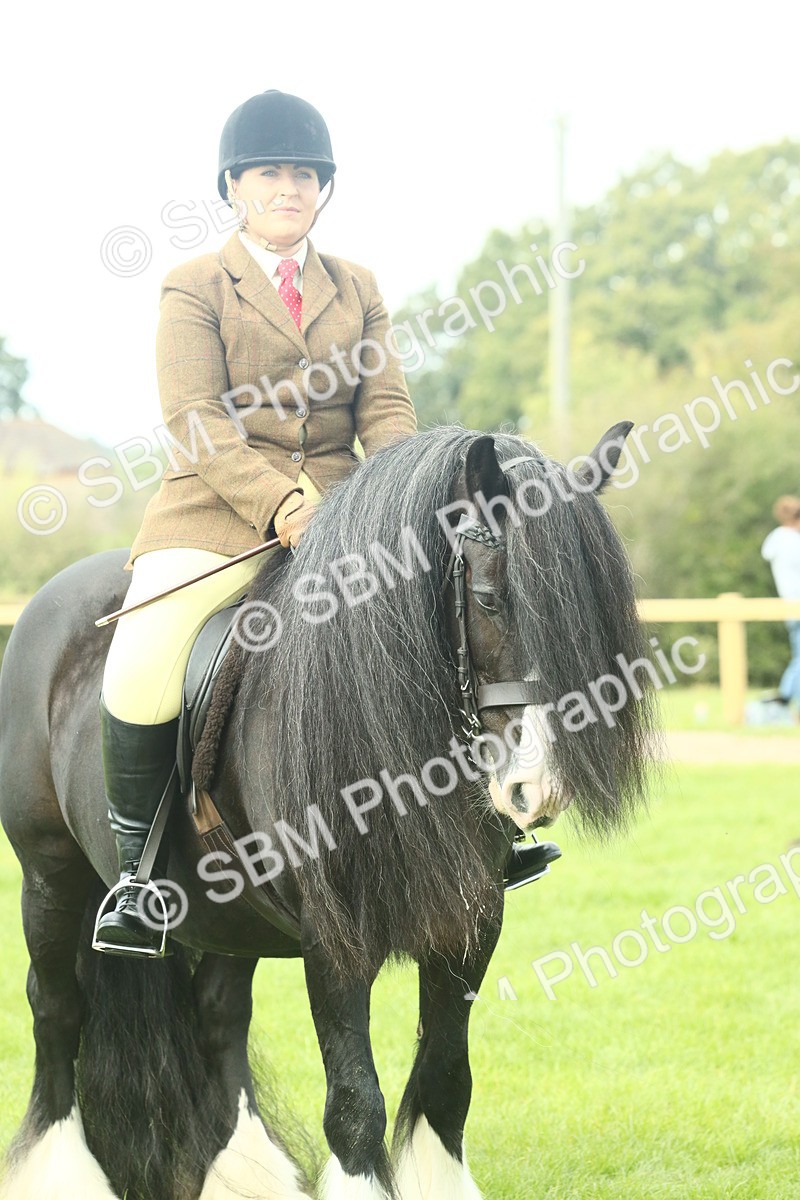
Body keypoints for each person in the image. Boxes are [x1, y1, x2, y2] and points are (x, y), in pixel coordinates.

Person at [95, 90, 417, 954]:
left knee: (445, 617)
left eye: (305, 175)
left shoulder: (358, 286)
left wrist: (397, 496)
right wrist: (279, 502)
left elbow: (385, 408)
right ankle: (137, 877)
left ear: (323, 189)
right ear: (234, 187)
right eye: (270, 173)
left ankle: (478, 830)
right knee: (141, 663)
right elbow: (196, 418)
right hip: (218, 513)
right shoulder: (194, 284)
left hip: (347, 514)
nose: (288, 188)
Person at [761, 494, 800, 713]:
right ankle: (784, 698)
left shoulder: (777, 540)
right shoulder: (793, 542)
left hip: (789, 605)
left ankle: (785, 698)